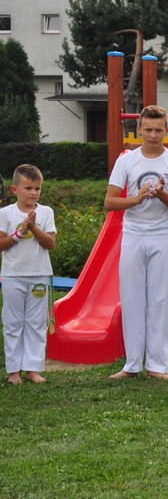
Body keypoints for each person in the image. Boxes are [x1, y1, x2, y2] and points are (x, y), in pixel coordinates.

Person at [105, 105, 168, 380]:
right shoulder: (127, 161)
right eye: (148, 129)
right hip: (133, 235)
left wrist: (163, 195)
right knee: (131, 298)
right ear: (139, 130)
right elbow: (109, 202)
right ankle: (131, 364)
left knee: (159, 298)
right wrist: (138, 198)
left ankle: (157, 365)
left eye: (158, 130)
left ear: (167, 131)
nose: (153, 135)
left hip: (163, 235)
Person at [1, 165, 57, 385]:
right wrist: (20, 232)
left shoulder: (46, 212)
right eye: (28, 188)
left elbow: (50, 243)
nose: (34, 193)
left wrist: (33, 228)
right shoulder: (5, 213)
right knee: (14, 322)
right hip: (13, 275)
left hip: (39, 274)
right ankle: (14, 371)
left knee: (35, 322)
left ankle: (33, 368)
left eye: (37, 188)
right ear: (15, 189)